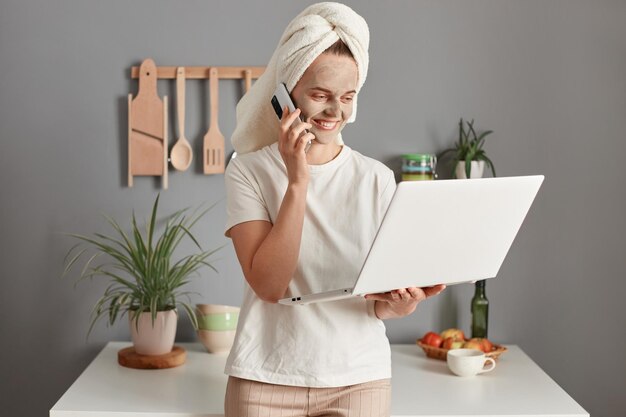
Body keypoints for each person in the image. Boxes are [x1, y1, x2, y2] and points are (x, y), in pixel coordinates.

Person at [223, 3, 445, 416]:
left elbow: (375, 302)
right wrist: (297, 180)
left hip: (358, 378)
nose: (336, 112)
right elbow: (269, 285)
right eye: (321, 95)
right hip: (265, 376)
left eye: (347, 97)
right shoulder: (248, 172)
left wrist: (401, 303)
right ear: (285, 93)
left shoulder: (376, 179)